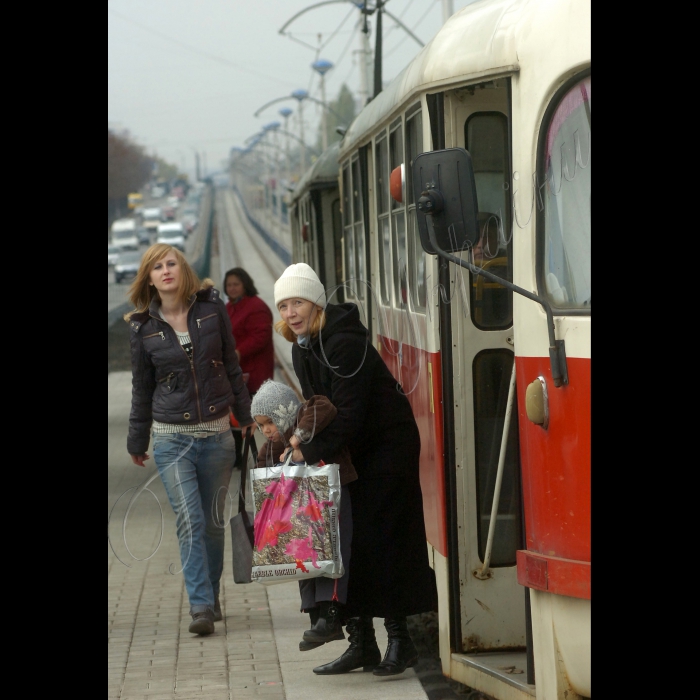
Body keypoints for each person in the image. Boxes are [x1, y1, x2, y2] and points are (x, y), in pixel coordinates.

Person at [272, 262, 438, 677]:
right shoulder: (302, 347)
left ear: (315, 302)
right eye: (283, 305)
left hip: (386, 448)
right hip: (352, 450)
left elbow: (349, 414)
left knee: (386, 544)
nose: (290, 313)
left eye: (297, 302)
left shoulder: (344, 343)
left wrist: (305, 454)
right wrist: (294, 441)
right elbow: (319, 412)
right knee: (348, 546)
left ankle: (402, 643)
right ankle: (361, 644)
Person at [125, 243, 255, 637]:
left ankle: (211, 596)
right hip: (171, 440)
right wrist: (136, 440)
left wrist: (246, 415)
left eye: (172, 264)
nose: (166, 271)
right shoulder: (143, 327)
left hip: (217, 437)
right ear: (148, 278)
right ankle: (199, 605)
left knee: (214, 523)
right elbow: (141, 387)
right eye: (157, 267)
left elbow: (232, 365)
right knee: (191, 520)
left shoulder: (212, 310)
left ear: (183, 271)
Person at [249, 380, 358, 653]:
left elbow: (323, 405)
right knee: (302, 559)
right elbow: (264, 476)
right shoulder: (271, 448)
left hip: (330, 499)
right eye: (261, 426)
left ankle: (330, 613)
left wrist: (297, 437)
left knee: (332, 552)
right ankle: (314, 614)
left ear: (283, 413)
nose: (266, 431)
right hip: (301, 512)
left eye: (269, 423)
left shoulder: (304, 415)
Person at [223, 267, 274, 465]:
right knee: (236, 415)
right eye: (229, 285)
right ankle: (239, 458)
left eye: (236, 284)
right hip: (237, 373)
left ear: (245, 284)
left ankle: (260, 456)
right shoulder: (229, 307)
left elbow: (261, 336)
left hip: (254, 372)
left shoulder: (256, 306)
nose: (232, 288)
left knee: (253, 416)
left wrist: (239, 351)